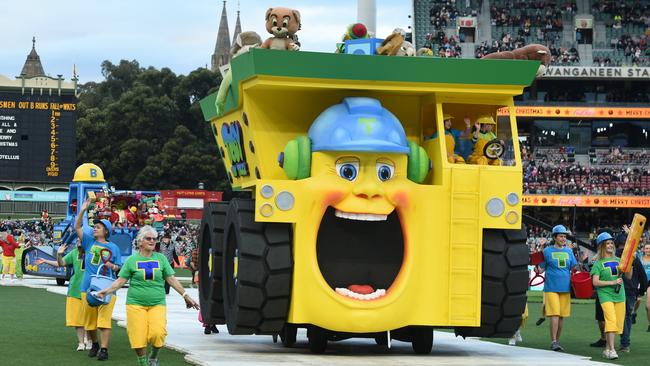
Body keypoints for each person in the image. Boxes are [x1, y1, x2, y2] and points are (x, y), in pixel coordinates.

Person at [95, 226, 199, 366]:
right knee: (137, 337)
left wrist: (185, 295)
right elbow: (120, 281)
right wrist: (105, 291)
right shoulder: (132, 260)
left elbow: (171, 279)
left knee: (158, 334)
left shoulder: (161, 259)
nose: (152, 241)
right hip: (135, 304)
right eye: (148, 238)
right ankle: (143, 362)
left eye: (154, 239)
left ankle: (153, 357)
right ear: (140, 241)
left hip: (157, 303)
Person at [75, 199, 122, 361]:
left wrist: (111, 265)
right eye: (94, 226)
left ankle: (104, 349)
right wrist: (82, 210)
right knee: (89, 322)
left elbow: (119, 268)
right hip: (87, 286)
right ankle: (94, 343)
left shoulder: (114, 247)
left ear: (106, 231)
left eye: (98, 227)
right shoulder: (88, 241)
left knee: (104, 320)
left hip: (107, 287)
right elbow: (77, 227)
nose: (95, 228)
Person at [36, 240, 90, 351]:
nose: (79, 241)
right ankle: (81, 343)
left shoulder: (92, 252)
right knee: (77, 319)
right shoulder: (74, 253)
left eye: (81, 239)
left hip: (89, 290)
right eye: (78, 240)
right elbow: (60, 263)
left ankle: (89, 340)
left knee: (89, 318)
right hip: (75, 289)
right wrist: (58, 254)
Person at [591, 231, 633, 360]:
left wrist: (630, 262)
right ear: (601, 246)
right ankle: (612, 349)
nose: (610, 245)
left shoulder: (619, 260)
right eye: (607, 243)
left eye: (611, 243)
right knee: (611, 321)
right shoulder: (598, 263)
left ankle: (607, 349)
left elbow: (628, 276)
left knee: (618, 324)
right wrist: (612, 282)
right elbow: (595, 282)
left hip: (619, 295)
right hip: (605, 295)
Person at [536, 224, 578, 352]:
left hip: (565, 288)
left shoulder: (569, 251)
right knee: (554, 314)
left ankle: (557, 341)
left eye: (565, 236)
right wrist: (537, 265)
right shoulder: (547, 251)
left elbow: (574, 268)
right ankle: (553, 341)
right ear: (555, 237)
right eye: (561, 236)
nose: (563, 238)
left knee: (561, 316)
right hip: (551, 288)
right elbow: (541, 269)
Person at [615, 231, 647, 353]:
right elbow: (642, 276)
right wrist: (641, 291)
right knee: (626, 316)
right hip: (630, 290)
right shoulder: (634, 256)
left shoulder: (613, 255)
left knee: (614, 315)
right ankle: (625, 344)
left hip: (615, 289)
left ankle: (610, 342)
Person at [640, 243, 650, 332]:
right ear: (643, 249)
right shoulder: (640, 258)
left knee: (648, 306)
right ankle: (633, 314)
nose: (648, 250)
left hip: (649, 284)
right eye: (646, 248)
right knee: (637, 300)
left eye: (649, 248)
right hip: (640, 282)